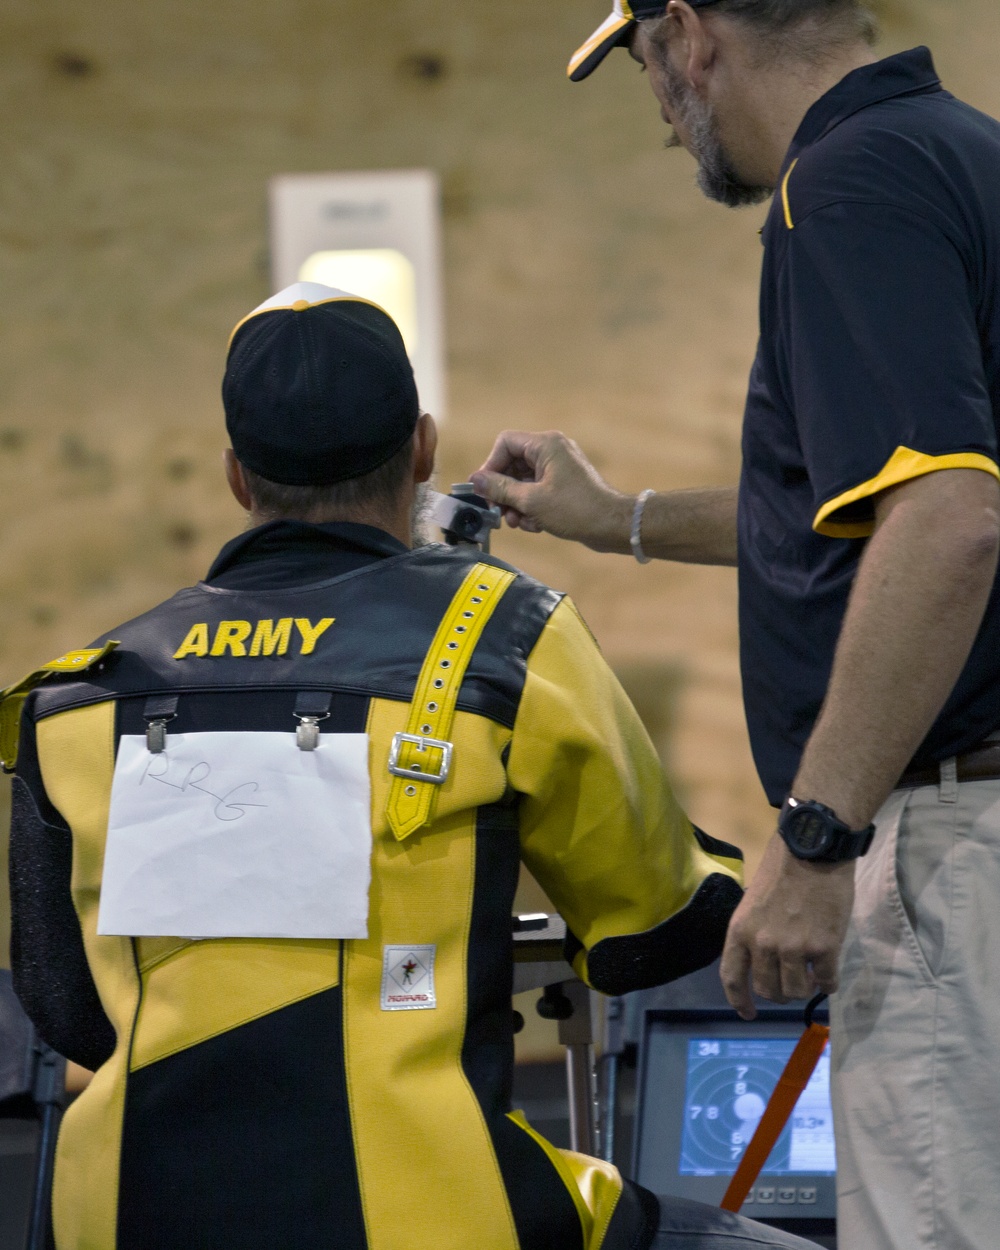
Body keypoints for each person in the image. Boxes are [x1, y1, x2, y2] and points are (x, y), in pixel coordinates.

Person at [2, 282, 816, 1250]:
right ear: (423, 449)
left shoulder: (78, 693)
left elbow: (65, 1010)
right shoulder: (503, 636)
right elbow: (651, 926)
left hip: (116, 1213)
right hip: (431, 1210)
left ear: (233, 475)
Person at [471, 4, 1000, 1248]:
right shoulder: (959, 151)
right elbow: (861, 508)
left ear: (690, 36)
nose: (660, 112)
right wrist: (621, 518)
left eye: (643, 67)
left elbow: (948, 523)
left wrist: (816, 837)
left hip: (945, 841)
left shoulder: (844, 185)